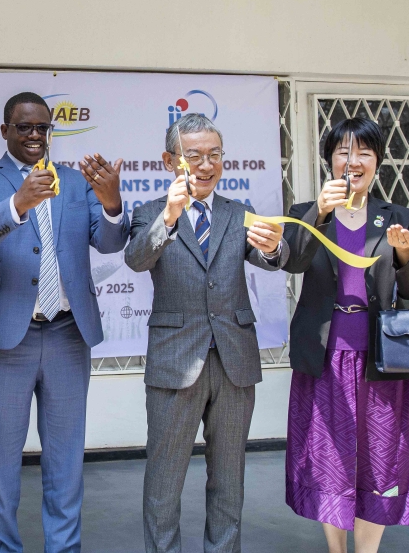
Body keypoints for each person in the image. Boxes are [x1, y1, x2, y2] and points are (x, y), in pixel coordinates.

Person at [0, 92, 130, 553]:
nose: (35, 136)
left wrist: (112, 204)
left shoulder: (76, 183)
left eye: (42, 128)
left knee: (65, 462)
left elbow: (111, 243)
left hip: (67, 336)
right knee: (0, 464)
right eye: (24, 128)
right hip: (2, 341)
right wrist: (18, 203)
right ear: (5, 131)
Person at [124, 113, 287, 553]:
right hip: (175, 364)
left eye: (214, 155)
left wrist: (275, 247)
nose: (205, 164)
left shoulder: (239, 213)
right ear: (170, 160)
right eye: (193, 155)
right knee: (163, 482)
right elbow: (137, 258)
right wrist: (171, 216)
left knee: (229, 481)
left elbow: (274, 255)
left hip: (234, 363)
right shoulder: (149, 213)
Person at [282, 117, 409, 553]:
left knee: (379, 460)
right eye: (343, 152)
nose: (353, 161)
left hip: (383, 360)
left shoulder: (396, 216)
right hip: (325, 357)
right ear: (330, 159)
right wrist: (320, 213)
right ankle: (336, 549)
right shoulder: (305, 213)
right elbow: (292, 262)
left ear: (377, 161)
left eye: (364, 152)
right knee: (329, 460)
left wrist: (406, 254)